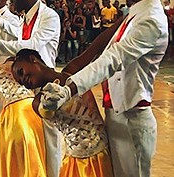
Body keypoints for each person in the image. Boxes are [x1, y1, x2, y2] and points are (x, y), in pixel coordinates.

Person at [40, 0, 170, 177]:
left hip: (132, 120)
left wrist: (69, 88)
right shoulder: (136, 14)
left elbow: (113, 59)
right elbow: (103, 45)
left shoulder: (151, 20)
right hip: (117, 117)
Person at [0, 0, 62, 177]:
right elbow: (20, 40)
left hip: (45, 85)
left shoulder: (49, 16)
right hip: (25, 85)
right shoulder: (24, 19)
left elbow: (32, 46)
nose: (11, 3)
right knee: (35, 142)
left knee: (50, 144)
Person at [12, 49, 113, 177]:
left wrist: (121, 28)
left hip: (105, 152)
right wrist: (49, 104)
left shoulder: (71, 71)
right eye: (20, 81)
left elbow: (96, 46)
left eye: (21, 72)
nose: (23, 80)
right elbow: (45, 111)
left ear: (33, 59)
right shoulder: (38, 101)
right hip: (78, 164)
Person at [0, 49, 47, 177]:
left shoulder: (23, 68)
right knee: (29, 157)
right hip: (24, 113)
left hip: (19, 114)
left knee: (18, 158)